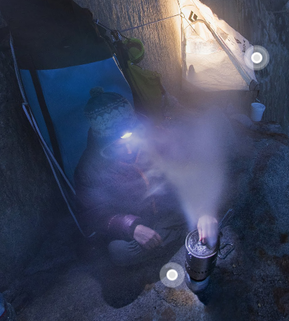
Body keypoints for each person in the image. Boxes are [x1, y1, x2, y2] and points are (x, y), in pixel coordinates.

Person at [74, 87, 218, 266]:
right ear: (103, 139)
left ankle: (186, 230)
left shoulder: (155, 136)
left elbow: (188, 170)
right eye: (117, 143)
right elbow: (94, 214)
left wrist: (203, 210)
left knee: (206, 211)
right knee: (119, 252)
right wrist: (131, 227)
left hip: (172, 208)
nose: (128, 147)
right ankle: (180, 234)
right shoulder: (89, 168)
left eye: (130, 136)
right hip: (143, 223)